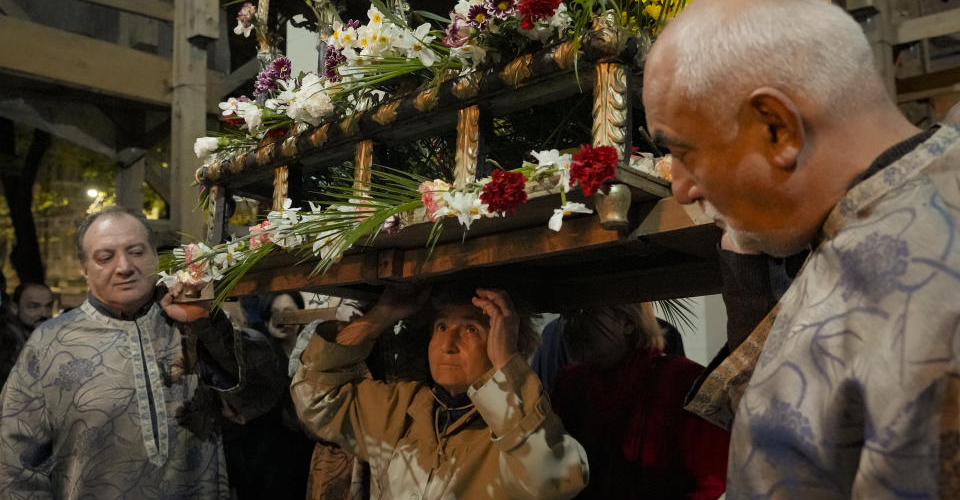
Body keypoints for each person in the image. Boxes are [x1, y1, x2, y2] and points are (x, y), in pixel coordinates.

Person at [643, 0, 960, 497]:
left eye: (684, 153)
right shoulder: (867, 224)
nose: (682, 188)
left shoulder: (930, 293)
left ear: (777, 128)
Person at [0, 206, 284, 499]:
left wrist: (206, 321)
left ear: (153, 257)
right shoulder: (49, 342)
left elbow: (263, 394)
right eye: (105, 257)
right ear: (84, 269)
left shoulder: (193, 322)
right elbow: (14, 462)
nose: (124, 266)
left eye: (136, 252)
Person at [291, 284, 589, 499]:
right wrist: (379, 317)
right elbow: (316, 398)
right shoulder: (402, 408)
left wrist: (506, 366)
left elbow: (553, 480)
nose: (448, 344)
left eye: (471, 329)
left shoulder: (515, 429)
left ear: (504, 342)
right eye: (442, 327)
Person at [551, 303, 728, 499]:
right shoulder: (570, 383)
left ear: (628, 322)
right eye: (568, 312)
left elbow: (712, 475)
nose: (574, 323)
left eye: (589, 311)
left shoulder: (682, 379)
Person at [223, 291, 315, 500]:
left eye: (289, 312)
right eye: (274, 313)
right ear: (265, 318)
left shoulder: (311, 356)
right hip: (267, 459)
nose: (281, 318)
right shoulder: (260, 358)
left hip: (305, 454)